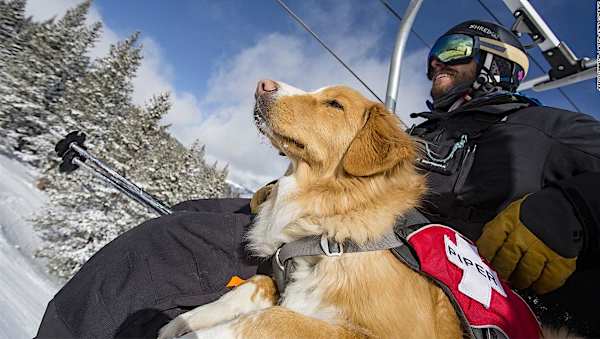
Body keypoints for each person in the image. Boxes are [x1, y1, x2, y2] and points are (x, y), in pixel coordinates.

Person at [35, 20, 600, 338]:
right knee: (183, 220)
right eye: (433, 57)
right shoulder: (425, 132)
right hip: (339, 240)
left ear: (502, 66)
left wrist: (574, 206)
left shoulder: (543, 128)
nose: (436, 66)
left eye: (454, 52)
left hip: (433, 283)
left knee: (169, 251)